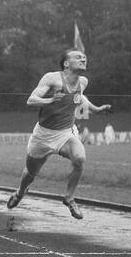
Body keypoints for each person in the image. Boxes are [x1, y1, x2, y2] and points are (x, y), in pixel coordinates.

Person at [7, 48, 111, 220]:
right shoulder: (52, 78)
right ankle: (20, 192)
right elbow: (31, 100)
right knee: (30, 173)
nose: (83, 59)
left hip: (65, 133)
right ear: (66, 63)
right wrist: (50, 100)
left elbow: (80, 98)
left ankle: (69, 198)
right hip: (43, 135)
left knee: (80, 158)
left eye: (84, 57)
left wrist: (97, 110)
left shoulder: (83, 81)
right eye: (78, 57)